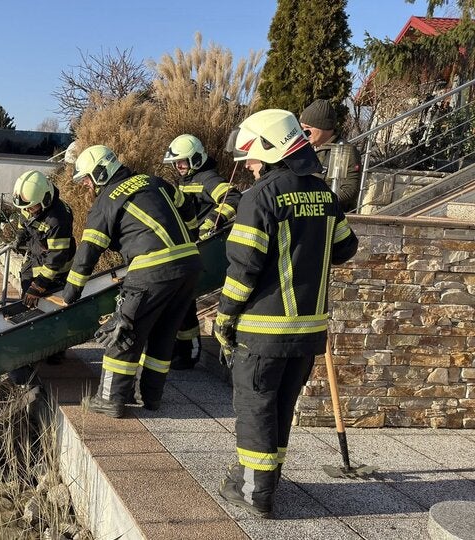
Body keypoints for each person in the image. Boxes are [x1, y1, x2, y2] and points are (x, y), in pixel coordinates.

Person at [214, 109, 358, 517]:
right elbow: (346, 247)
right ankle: (266, 478)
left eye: (253, 157)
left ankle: (254, 492)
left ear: (270, 149)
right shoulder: (325, 195)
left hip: (264, 331)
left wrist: (224, 316)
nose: (249, 165)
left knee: (256, 405)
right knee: (280, 406)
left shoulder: (260, 197)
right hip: (308, 332)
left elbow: (243, 268)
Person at [61, 145, 202, 418]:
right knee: (164, 335)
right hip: (189, 265)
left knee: (122, 333)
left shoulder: (106, 201)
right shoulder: (154, 181)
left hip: (152, 270)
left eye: (88, 179)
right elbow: (187, 206)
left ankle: (111, 399)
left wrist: (70, 293)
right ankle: (151, 396)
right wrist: (192, 234)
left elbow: (88, 251)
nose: (87, 186)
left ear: (101, 173)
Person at [162, 134, 242, 370]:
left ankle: (189, 353)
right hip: (188, 248)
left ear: (196, 158)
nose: (179, 167)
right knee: (180, 302)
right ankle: (181, 350)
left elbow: (233, 198)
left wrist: (211, 222)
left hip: (202, 248)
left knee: (185, 302)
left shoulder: (208, 178)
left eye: (183, 162)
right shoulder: (186, 180)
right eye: (176, 163)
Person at [7, 170, 77, 385]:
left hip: (56, 267)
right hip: (35, 257)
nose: (28, 210)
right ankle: (32, 346)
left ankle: (55, 350)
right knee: (28, 302)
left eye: (32, 207)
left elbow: (57, 257)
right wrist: (20, 237)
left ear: (46, 199)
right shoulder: (31, 203)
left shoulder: (58, 218)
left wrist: (40, 285)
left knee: (53, 309)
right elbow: (24, 220)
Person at [299, 99, 362, 212]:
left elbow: (349, 191)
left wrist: (313, 203)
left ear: (324, 127)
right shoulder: (305, 148)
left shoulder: (343, 151)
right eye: (302, 128)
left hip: (330, 217)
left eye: (308, 128)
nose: (304, 132)